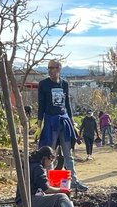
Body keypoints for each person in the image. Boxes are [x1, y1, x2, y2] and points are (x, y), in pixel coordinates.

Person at [18, 145, 106, 207]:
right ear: (45, 158)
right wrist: (63, 190)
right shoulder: (37, 168)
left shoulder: (32, 165)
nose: (49, 164)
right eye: (50, 161)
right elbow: (47, 189)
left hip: (27, 201)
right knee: (61, 197)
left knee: (63, 206)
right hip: (27, 203)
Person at [37, 60, 87, 191]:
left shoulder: (64, 84)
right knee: (50, 153)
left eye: (52, 68)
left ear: (59, 68)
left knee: (68, 153)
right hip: (50, 121)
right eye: (48, 68)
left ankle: (74, 181)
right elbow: (41, 104)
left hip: (64, 122)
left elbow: (67, 104)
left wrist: (72, 123)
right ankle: (49, 183)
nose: (50, 70)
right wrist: (39, 124)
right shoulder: (43, 84)